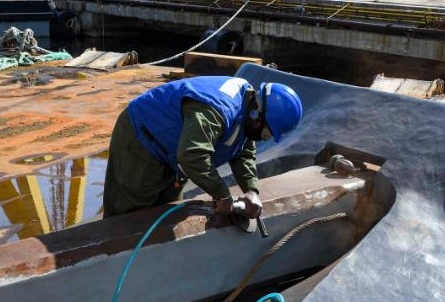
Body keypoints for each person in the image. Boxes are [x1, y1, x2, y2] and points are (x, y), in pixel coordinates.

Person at [103, 76, 303, 219]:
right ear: (256, 116)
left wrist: (251, 190)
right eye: (266, 133)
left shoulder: (250, 106)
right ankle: (111, 266)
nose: (262, 139)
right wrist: (222, 195)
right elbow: (192, 156)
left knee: (166, 214)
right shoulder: (216, 109)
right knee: (129, 215)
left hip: (173, 152)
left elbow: (243, 150)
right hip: (143, 136)